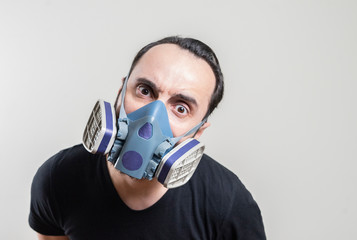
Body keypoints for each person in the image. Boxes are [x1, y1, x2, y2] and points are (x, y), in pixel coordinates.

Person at [29, 36, 266, 240]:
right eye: (144, 91)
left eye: (181, 108)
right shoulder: (58, 178)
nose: (152, 117)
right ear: (121, 92)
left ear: (198, 131)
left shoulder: (228, 203)